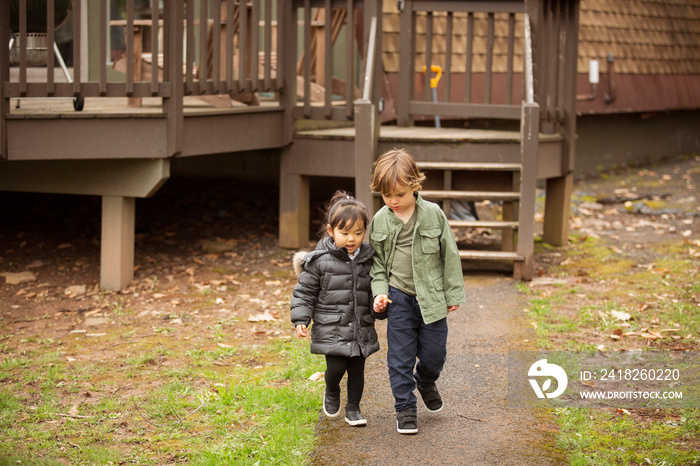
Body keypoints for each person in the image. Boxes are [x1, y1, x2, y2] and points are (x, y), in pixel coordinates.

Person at [369, 148, 466, 435]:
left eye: (399, 194)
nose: (393, 202)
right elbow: (376, 265)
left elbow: (450, 255)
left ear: (415, 185)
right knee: (399, 358)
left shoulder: (434, 215)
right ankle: (405, 408)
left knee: (435, 354)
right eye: (387, 196)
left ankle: (425, 380)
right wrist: (378, 292)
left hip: (432, 298)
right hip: (397, 298)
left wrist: (453, 294)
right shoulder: (380, 220)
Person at [291, 191, 379, 427]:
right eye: (345, 233)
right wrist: (301, 319)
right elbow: (304, 293)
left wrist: (378, 307)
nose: (352, 239)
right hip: (332, 326)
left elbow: (375, 290)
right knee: (337, 367)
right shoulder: (319, 261)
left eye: (359, 233)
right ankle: (331, 389)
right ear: (331, 231)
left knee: (357, 370)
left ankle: (354, 409)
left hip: (360, 326)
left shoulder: (369, 259)